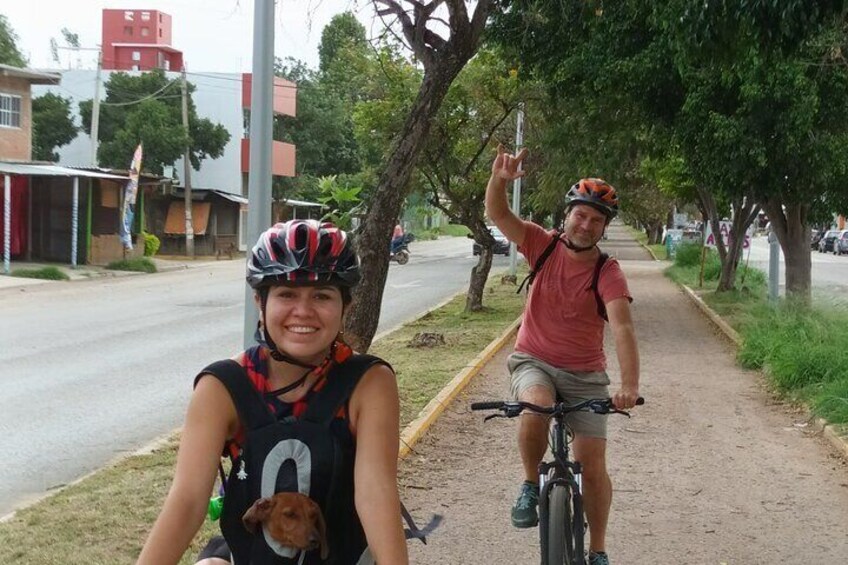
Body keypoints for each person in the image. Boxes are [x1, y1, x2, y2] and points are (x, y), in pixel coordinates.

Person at [137, 219, 409, 565]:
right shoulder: (222, 387)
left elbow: (375, 492)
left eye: (322, 295)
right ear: (260, 303)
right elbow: (188, 499)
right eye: (286, 294)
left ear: (346, 307)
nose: (303, 311)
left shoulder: (369, 382)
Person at [484, 145, 640, 565]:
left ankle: (598, 550)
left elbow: (621, 326)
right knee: (536, 403)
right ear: (567, 214)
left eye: (596, 220)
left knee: (593, 464)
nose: (586, 224)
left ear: (603, 228)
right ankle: (530, 484)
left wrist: (628, 386)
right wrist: (500, 179)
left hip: (587, 374)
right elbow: (499, 216)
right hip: (533, 359)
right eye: (581, 214)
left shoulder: (607, 271)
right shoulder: (542, 244)